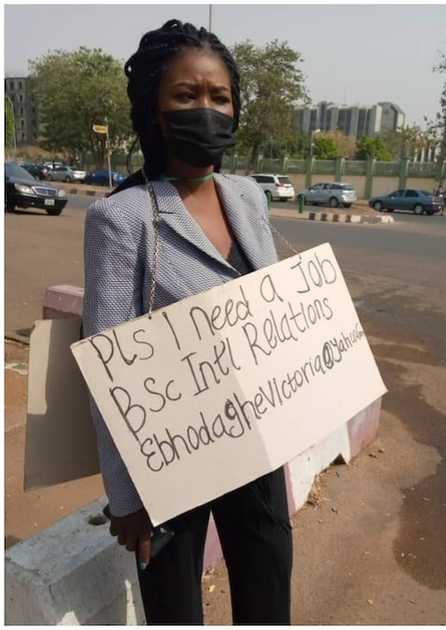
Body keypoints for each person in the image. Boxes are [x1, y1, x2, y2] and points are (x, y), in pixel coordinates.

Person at [82, 19, 292, 624]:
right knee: (175, 609)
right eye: (186, 95)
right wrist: (126, 499)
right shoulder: (123, 219)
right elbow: (107, 369)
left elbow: (271, 312)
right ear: (153, 108)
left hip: (254, 443)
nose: (207, 108)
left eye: (219, 96)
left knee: (270, 592)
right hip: (168, 464)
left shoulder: (248, 196)